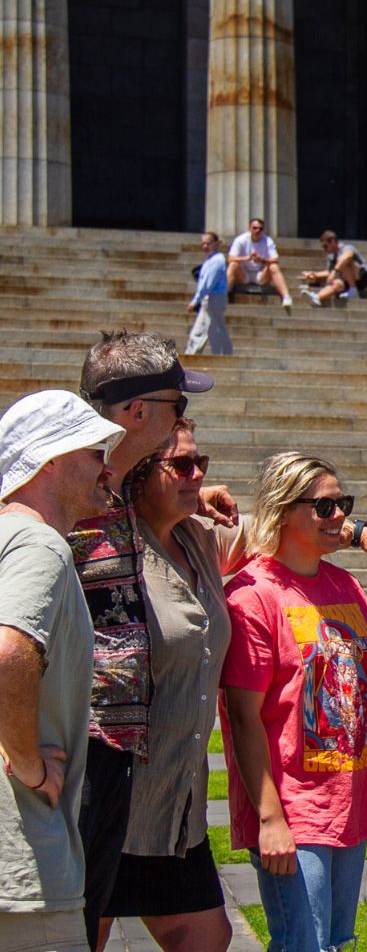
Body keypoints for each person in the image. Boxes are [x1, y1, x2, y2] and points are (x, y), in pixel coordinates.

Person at [74, 330, 223, 950]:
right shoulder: (67, 484)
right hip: (85, 765)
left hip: (147, 774)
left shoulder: (114, 490)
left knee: (204, 935)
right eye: (176, 408)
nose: (183, 421)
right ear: (138, 413)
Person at [220, 452, 367, 951]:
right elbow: (243, 716)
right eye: (324, 506)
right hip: (292, 807)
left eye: (342, 503)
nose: (340, 517)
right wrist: (269, 817)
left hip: (352, 798)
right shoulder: (252, 595)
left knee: (333, 942)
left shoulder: (345, 585)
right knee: (303, 944)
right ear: (283, 510)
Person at [99, 420, 245, 951]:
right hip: (112, 801)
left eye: (201, 462)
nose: (198, 473)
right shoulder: (106, 547)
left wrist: (357, 530)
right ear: (138, 474)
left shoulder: (199, 537)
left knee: (207, 936)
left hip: (177, 806)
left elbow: (280, 524)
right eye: (182, 465)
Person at [0, 391, 124, 952]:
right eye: (97, 450)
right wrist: (29, 765)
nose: (108, 467)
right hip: (25, 862)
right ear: (50, 459)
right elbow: (7, 652)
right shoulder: (38, 544)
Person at [227, 217, 293, 312]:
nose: (257, 231)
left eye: (260, 229)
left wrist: (262, 260)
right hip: (243, 274)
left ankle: (286, 296)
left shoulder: (268, 241)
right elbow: (230, 258)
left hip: (260, 275)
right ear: (249, 228)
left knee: (273, 266)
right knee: (233, 265)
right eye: (254, 228)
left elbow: (275, 259)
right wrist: (247, 258)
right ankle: (223, 294)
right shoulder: (241, 240)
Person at [185, 232, 233, 356]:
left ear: (216, 244)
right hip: (212, 297)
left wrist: (195, 301)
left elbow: (208, 284)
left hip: (214, 297)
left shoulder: (217, 260)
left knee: (203, 329)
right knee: (213, 329)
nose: (205, 246)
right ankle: (223, 354)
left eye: (208, 243)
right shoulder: (211, 259)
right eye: (203, 244)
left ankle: (192, 354)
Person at [301, 230, 367, 307]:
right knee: (337, 283)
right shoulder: (332, 257)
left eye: (325, 246)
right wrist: (315, 275)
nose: (325, 249)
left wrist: (335, 271)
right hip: (347, 280)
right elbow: (329, 272)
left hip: (362, 277)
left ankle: (353, 290)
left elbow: (348, 256)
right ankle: (317, 297)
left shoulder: (346, 247)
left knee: (342, 260)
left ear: (333, 241)